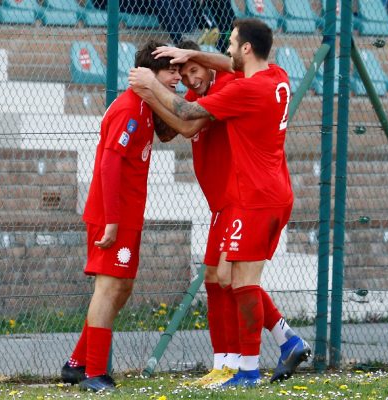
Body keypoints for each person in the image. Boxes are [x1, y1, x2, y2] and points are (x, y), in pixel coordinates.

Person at [128, 20, 311, 388]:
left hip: (251, 197)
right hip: (261, 193)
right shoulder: (277, 75)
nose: (226, 50)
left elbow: (189, 120)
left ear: (245, 48)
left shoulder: (241, 89)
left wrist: (150, 88)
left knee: (238, 281)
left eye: (230, 43)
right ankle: (277, 344)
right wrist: (193, 55)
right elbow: (211, 86)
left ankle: (246, 368)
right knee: (227, 278)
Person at [60, 40, 182, 393]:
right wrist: (111, 218)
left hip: (128, 214)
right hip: (111, 214)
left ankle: (76, 364)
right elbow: (110, 162)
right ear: (150, 72)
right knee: (109, 286)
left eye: (178, 71)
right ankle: (94, 373)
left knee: (122, 288)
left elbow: (171, 128)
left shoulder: (147, 105)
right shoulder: (130, 108)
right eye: (170, 71)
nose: (176, 78)